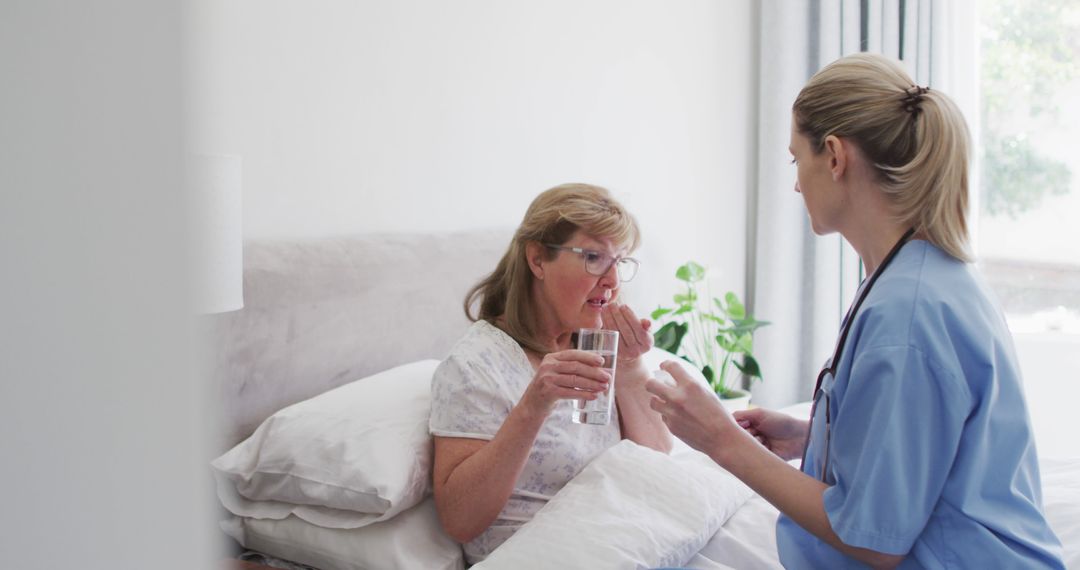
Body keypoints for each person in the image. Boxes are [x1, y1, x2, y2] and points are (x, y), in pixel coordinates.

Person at [646, 53, 1065, 568]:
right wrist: (814, 436)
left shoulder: (906, 314)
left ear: (835, 156)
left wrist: (722, 441)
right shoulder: (921, 277)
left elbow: (873, 539)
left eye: (795, 158)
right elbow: (927, 441)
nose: (797, 183)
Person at [429, 183, 673, 564]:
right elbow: (460, 520)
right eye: (593, 257)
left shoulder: (593, 345)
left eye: (619, 261)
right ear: (538, 260)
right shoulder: (476, 363)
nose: (612, 282)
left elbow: (657, 458)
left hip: (620, 543)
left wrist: (629, 366)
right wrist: (533, 405)